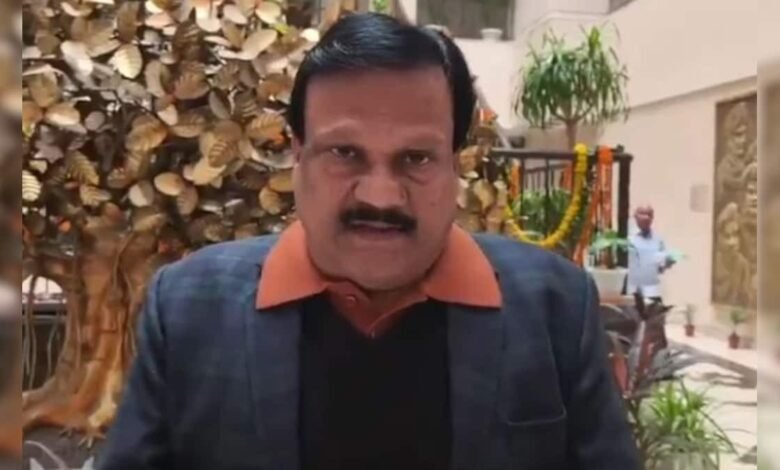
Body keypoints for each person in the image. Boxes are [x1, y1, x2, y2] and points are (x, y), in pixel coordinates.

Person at [99, 13, 638, 470]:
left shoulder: (554, 307)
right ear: (297, 155)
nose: (381, 196)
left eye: (416, 158)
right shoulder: (188, 309)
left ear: (454, 165)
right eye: (345, 153)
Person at [626, 204, 675, 303]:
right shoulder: (628, 238)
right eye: (642, 214)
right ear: (635, 216)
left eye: (649, 214)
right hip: (632, 292)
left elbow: (661, 268)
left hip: (652, 291)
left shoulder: (658, 240)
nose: (646, 217)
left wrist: (668, 262)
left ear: (652, 218)